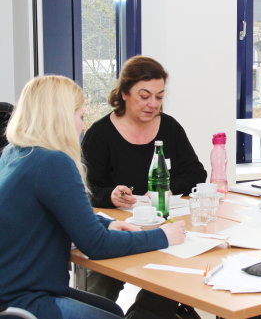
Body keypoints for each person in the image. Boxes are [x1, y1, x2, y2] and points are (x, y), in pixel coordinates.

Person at [0, 75, 186, 319]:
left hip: (14, 287)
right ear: (60, 119)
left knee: (113, 310)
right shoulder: (52, 162)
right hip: (26, 298)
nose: (83, 126)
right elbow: (97, 245)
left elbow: (59, 213)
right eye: (80, 116)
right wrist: (163, 236)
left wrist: (107, 223)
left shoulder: (16, 153)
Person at [82, 55, 207, 319]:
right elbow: (86, 188)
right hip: (118, 230)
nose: (153, 104)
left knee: (171, 282)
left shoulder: (169, 127)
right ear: (125, 93)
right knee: (99, 289)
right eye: (145, 95)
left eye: (159, 97)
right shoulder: (100, 134)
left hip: (163, 228)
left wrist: (168, 188)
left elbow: (196, 172)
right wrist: (111, 196)